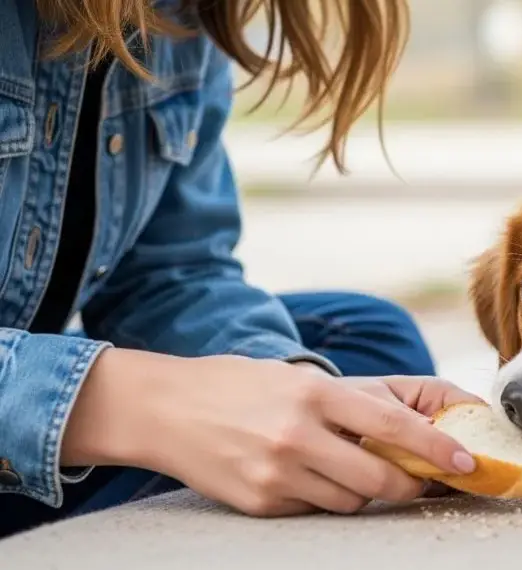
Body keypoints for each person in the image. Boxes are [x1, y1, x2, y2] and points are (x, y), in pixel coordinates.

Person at [0, 0, 481, 538]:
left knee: (368, 340)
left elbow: (169, 274)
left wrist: (296, 386)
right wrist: (145, 406)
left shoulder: (178, 13)